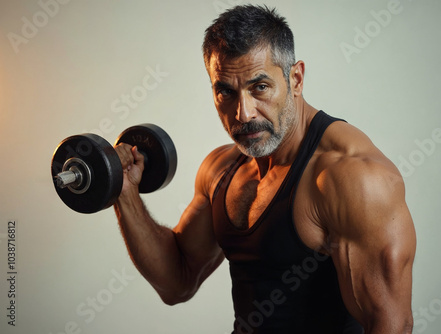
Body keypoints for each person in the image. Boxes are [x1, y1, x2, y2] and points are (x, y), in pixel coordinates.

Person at [113, 5, 416, 334]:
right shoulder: (219, 170)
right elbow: (178, 281)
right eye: (225, 92)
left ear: (295, 79)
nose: (243, 113)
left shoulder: (352, 177)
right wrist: (124, 190)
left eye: (259, 88)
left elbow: (390, 325)